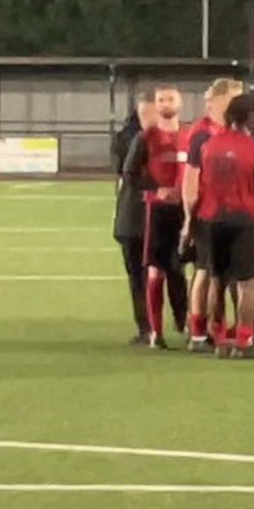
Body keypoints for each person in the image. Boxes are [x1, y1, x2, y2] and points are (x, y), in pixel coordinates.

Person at [181, 93, 254, 359]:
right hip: (244, 217)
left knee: (217, 279)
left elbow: (196, 182)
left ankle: (220, 338)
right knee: (248, 283)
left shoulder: (207, 145)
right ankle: (244, 340)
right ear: (251, 117)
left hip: (210, 217)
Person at [122, 84, 190, 349]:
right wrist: (155, 189)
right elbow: (130, 173)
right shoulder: (145, 137)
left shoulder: (190, 134)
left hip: (185, 211)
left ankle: (185, 323)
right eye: (161, 99)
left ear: (180, 102)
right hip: (156, 212)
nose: (165, 103)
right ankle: (155, 333)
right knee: (155, 271)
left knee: (180, 269)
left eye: (170, 98)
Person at [183, 78, 243, 353]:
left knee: (224, 275)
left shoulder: (233, 130)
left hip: (232, 213)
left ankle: (217, 328)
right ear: (222, 100)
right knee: (205, 272)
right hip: (208, 213)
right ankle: (197, 333)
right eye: (235, 98)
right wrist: (188, 218)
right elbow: (190, 180)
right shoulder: (202, 134)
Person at [113, 93, 157, 345]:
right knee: (138, 276)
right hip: (133, 218)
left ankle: (179, 323)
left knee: (171, 272)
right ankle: (145, 327)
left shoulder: (174, 134)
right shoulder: (129, 138)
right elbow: (127, 171)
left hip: (161, 216)